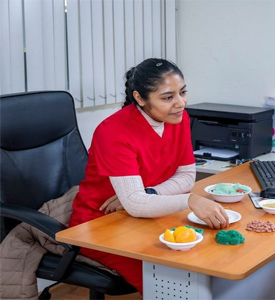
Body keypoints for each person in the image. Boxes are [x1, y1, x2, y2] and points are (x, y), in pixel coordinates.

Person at [68, 58, 229, 294]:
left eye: (182, 92)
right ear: (140, 98)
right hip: (101, 224)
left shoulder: (178, 118)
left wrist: (149, 194)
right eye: (167, 97)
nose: (181, 103)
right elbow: (135, 203)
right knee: (177, 284)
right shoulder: (114, 131)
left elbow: (186, 176)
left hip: (146, 213)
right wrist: (188, 200)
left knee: (207, 262)